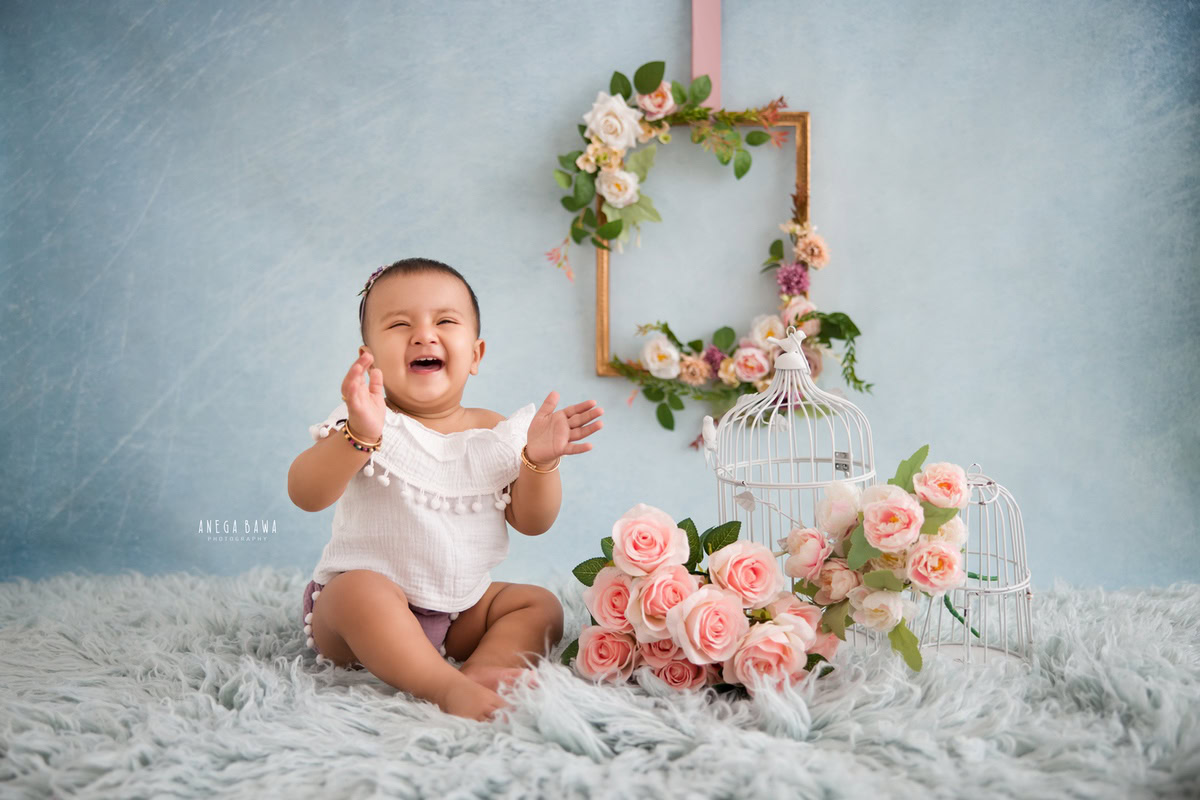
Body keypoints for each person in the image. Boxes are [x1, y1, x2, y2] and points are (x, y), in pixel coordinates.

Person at [287, 257, 604, 721]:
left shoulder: (496, 433)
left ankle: (486, 669)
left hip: (458, 612)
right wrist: (359, 435)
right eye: (399, 324)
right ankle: (445, 687)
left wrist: (539, 462)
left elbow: (532, 523)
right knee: (361, 592)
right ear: (367, 357)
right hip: (354, 619)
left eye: (445, 321)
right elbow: (305, 493)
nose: (423, 334)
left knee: (539, 605)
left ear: (475, 355)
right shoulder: (366, 419)